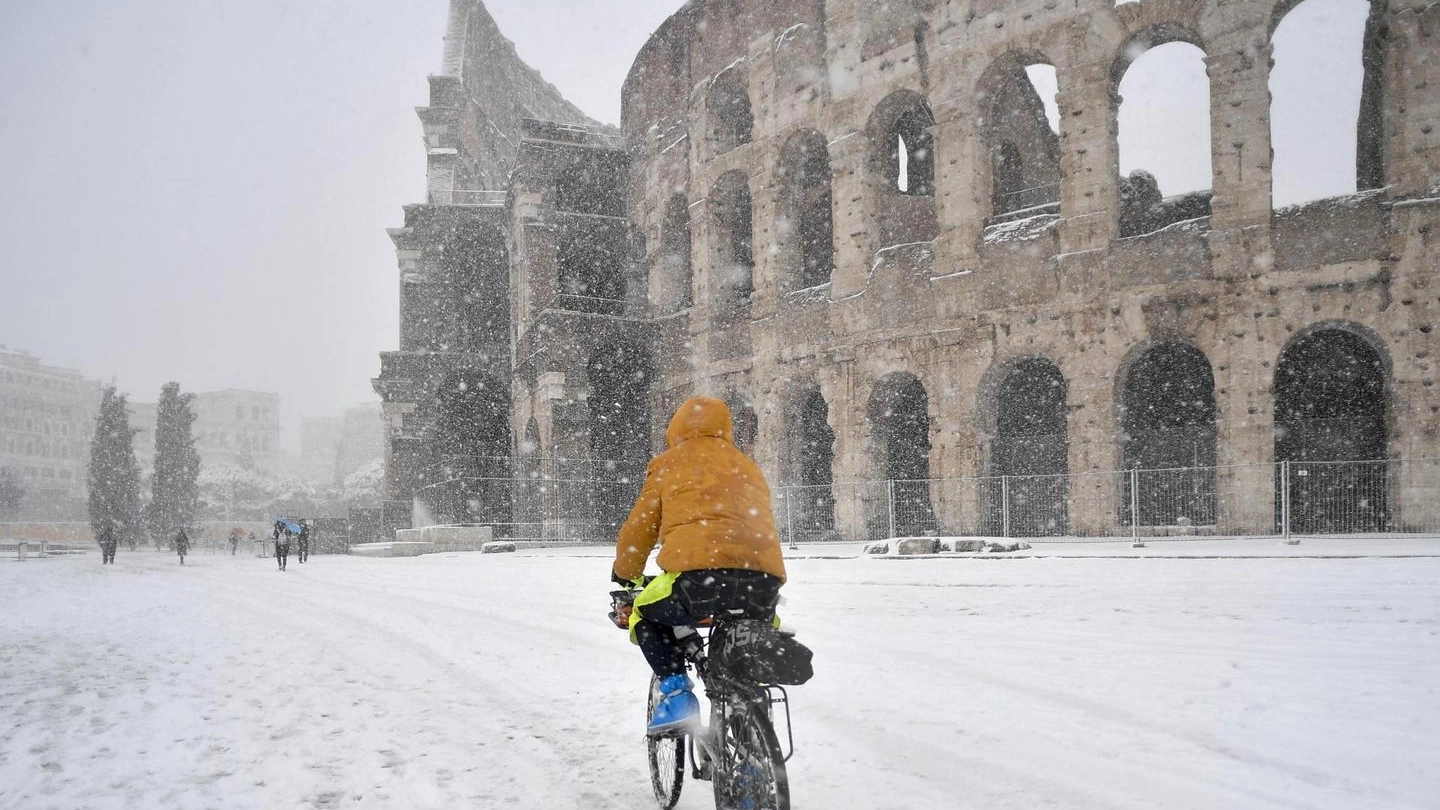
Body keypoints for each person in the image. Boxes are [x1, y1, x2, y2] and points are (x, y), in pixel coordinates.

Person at [611, 395, 787, 734]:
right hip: (763, 583)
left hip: (698, 579)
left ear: (676, 429)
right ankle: (752, 733)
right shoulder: (747, 466)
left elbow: (640, 530)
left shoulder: (667, 464)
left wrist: (626, 571)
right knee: (751, 633)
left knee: (645, 615)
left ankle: (677, 695)